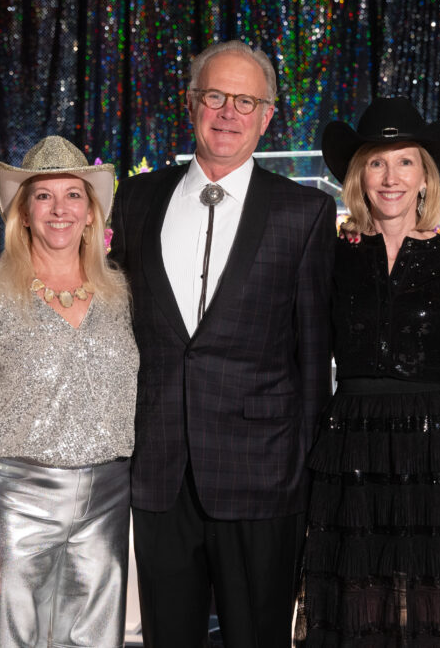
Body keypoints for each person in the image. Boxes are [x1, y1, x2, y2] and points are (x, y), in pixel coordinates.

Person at [107, 40, 336, 647]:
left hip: (264, 476)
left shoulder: (304, 212)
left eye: (245, 101)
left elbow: (313, 359)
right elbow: (85, 291)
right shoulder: (136, 199)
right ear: (191, 104)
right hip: (159, 470)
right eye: (215, 96)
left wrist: (307, 476)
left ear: (267, 117)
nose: (227, 112)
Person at [0, 136, 138, 647]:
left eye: (73, 195)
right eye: (43, 196)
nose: (60, 209)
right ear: (22, 213)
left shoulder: (121, 293)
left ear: (92, 213)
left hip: (106, 497)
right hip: (15, 499)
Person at [298, 97, 440, 647]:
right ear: (359, 176)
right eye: (377, 162)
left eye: (405, 162)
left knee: (434, 597)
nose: (391, 177)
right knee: (356, 593)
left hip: (434, 443)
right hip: (350, 438)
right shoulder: (331, 255)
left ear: (426, 179)